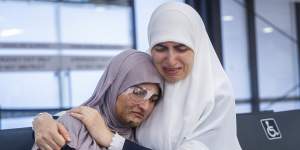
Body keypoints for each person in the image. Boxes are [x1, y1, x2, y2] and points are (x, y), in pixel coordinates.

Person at [33, 2, 242, 150]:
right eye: (160, 48)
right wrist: (44, 120)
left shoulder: (215, 96)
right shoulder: (159, 82)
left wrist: (110, 139)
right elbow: (100, 107)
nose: (170, 60)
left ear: (197, 46)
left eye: (181, 48)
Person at [32, 49, 163, 150]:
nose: (145, 106)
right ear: (114, 87)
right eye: (138, 93)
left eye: (153, 99)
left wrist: (110, 139)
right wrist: (42, 118)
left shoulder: (140, 137)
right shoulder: (72, 125)